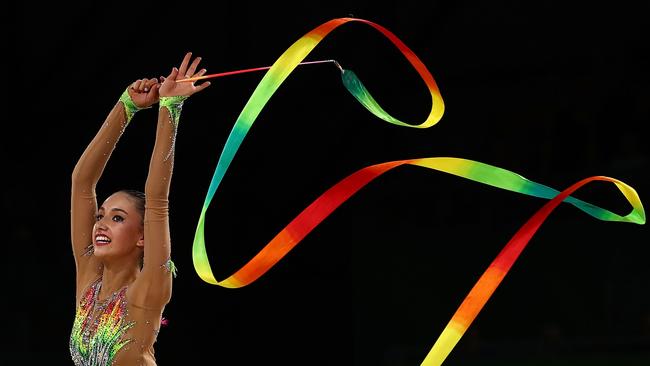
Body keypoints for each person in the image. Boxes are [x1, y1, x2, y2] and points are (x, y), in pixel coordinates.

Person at [69, 52, 210, 365]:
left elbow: (157, 197)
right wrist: (126, 106)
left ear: (143, 237)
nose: (101, 224)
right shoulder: (89, 277)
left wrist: (170, 107)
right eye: (101, 215)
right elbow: (82, 183)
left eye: (118, 218)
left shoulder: (148, 289)